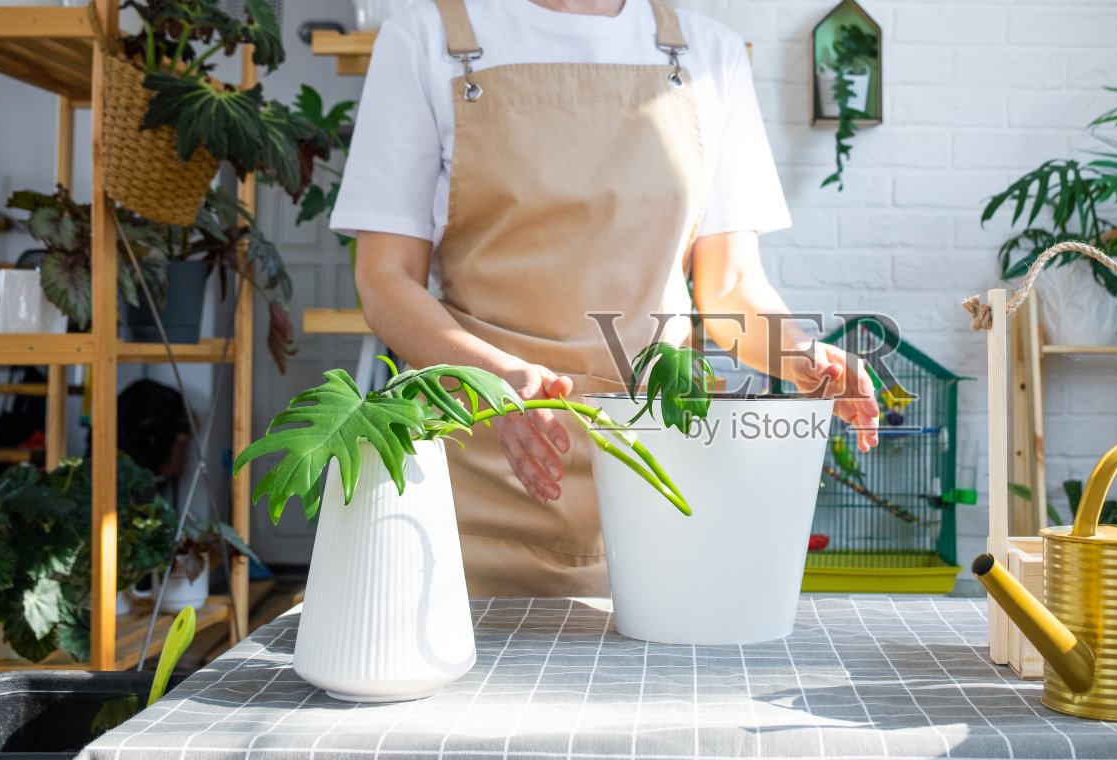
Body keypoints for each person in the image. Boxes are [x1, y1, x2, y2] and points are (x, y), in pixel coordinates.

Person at [330, 0, 879, 597]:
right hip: (479, 462)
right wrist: (495, 376)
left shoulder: (707, 53)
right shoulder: (426, 37)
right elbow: (386, 280)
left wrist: (797, 352)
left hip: (659, 474)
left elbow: (730, 285)